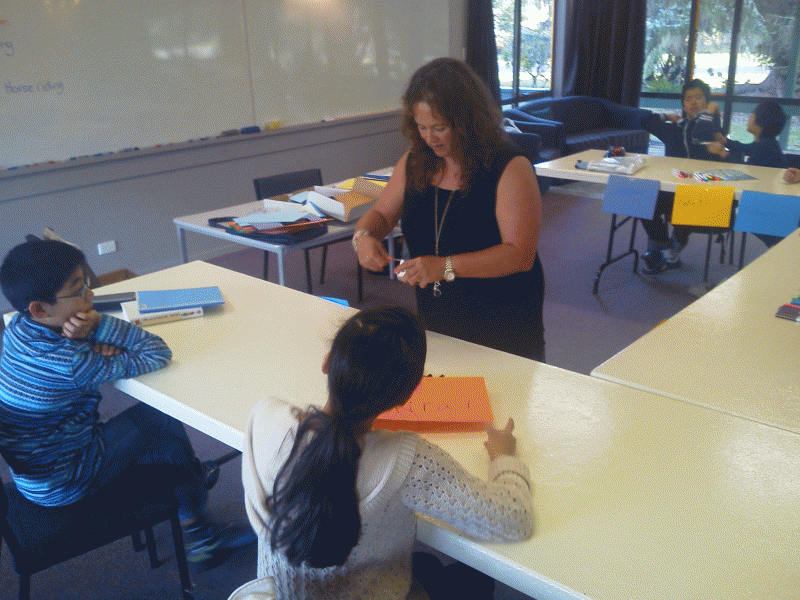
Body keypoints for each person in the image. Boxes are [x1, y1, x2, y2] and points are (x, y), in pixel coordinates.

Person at [242, 307, 533, 600]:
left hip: (277, 593)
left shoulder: (265, 417)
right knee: (473, 578)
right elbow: (514, 519)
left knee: (427, 565)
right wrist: (504, 459)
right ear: (406, 397)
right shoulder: (409, 460)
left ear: (327, 363)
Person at [0, 239, 253, 571]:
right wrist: (100, 327)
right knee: (163, 422)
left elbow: (70, 357)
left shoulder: (18, 328)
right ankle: (202, 532)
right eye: (78, 289)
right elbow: (157, 353)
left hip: (37, 471)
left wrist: (89, 344)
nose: (90, 295)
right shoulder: (72, 363)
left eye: (86, 282)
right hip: (68, 477)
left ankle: (189, 482)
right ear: (39, 309)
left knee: (162, 438)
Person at [352, 57, 545, 361]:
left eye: (439, 128)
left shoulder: (509, 166)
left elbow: (519, 255)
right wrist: (363, 236)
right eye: (422, 127)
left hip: (503, 324)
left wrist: (445, 266)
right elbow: (383, 214)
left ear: (468, 121)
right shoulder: (416, 159)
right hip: (437, 318)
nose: (429, 138)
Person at [639, 78, 725, 274]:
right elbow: (644, 120)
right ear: (684, 105)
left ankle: (668, 253)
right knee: (639, 196)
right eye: (688, 99)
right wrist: (667, 116)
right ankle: (663, 247)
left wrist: (710, 115)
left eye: (698, 98)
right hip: (672, 190)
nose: (693, 102)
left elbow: (705, 133)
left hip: (703, 195)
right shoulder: (674, 130)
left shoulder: (712, 131)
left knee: (686, 207)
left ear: (708, 102)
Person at [707, 100, 789, 247]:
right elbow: (745, 148)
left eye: (752, 116)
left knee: (710, 205)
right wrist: (725, 141)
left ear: (760, 122)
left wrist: (723, 153)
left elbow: (743, 173)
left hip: (767, 211)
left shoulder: (766, 146)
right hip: (767, 202)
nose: (748, 119)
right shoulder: (766, 142)